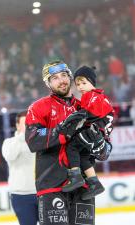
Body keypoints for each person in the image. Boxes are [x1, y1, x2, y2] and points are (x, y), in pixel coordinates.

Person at [25, 60, 112, 225]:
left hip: (84, 189)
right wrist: (61, 130)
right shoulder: (38, 108)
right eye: (55, 78)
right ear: (48, 83)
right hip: (52, 186)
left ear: (70, 78)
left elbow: (104, 149)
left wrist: (101, 146)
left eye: (64, 75)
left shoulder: (86, 108)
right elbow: (33, 140)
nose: (61, 80)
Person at [61, 65, 114, 199]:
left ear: (92, 82)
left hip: (94, 131)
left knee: (71, 146)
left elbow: (92, 113)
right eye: (78, 84)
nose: (80, 87)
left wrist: (77, 116)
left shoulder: (92, 95)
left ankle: (76, 176)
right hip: (96, 133)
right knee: (83, 155)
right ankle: (94, 183)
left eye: (84, 83)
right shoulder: (97, 96)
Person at [2, 111, 38, 225]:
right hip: (21, 195)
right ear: (17, 125)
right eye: (24, 123)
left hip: (43, 192)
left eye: (30, 122)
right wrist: (22, 136)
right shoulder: (9, 142)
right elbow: (10, 156)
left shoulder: (39, 141)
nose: (28, 126)